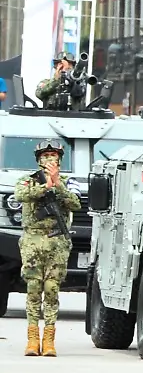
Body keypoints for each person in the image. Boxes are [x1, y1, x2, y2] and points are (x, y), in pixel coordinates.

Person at [15, 139, 82, 357]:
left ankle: (49, 339)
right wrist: (46, 187)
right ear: (38, 160)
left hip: (57, 243)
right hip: (33, 241)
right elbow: (21, 195)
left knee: (52, 290)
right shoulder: (28, 181)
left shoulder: (68, 182)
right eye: (45, 156)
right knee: (34, 289)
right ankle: (32, 340)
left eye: (53, 156)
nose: (49, 160)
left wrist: (58, 185)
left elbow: (76, 203)